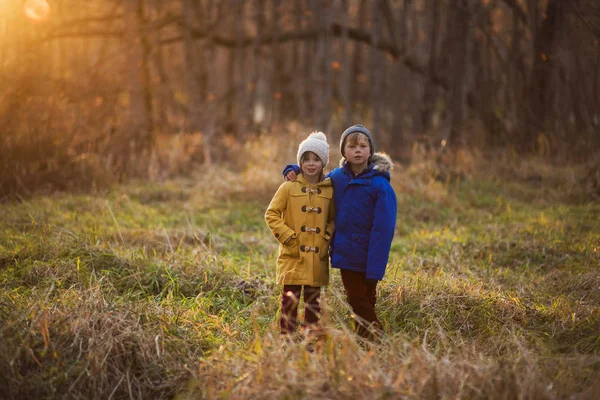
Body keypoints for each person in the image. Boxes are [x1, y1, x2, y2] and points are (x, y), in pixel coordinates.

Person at [283, 124, 396, 341]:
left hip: (371, 253)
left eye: (363, 146)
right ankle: (378, 338)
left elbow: (384, 229)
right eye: (352, 146)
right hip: (347, 254)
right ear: (343, 151)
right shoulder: (337, 177)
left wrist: (376, 265)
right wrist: (294, 169)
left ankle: (365, 340)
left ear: (370, 151)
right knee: (355, 298)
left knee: (367, 299)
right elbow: (314, 176)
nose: (358, 150)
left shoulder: (380, 186)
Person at [265, 131, 335, 337]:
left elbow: (333, 219)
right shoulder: (288, 186)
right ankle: (287, 340)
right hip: (292, 255)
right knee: (289, 302)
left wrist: (325, 238)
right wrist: (288, 237)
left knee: (313, 304)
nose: (311, 164)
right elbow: (271, 214)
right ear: (300, 162)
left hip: (317, 257)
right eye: (306, 159)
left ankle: (309, 341)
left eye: (316, 159)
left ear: (323, 162)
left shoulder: (330, 190)